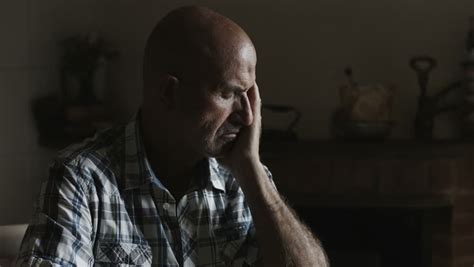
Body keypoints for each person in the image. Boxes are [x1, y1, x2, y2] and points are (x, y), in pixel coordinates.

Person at [17, 6, 329, 267]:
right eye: (228, 93)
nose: (248, 116)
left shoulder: (243, 181)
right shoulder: (83, 180)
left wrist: (252, 171)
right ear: (169, 93)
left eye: (249, 95)